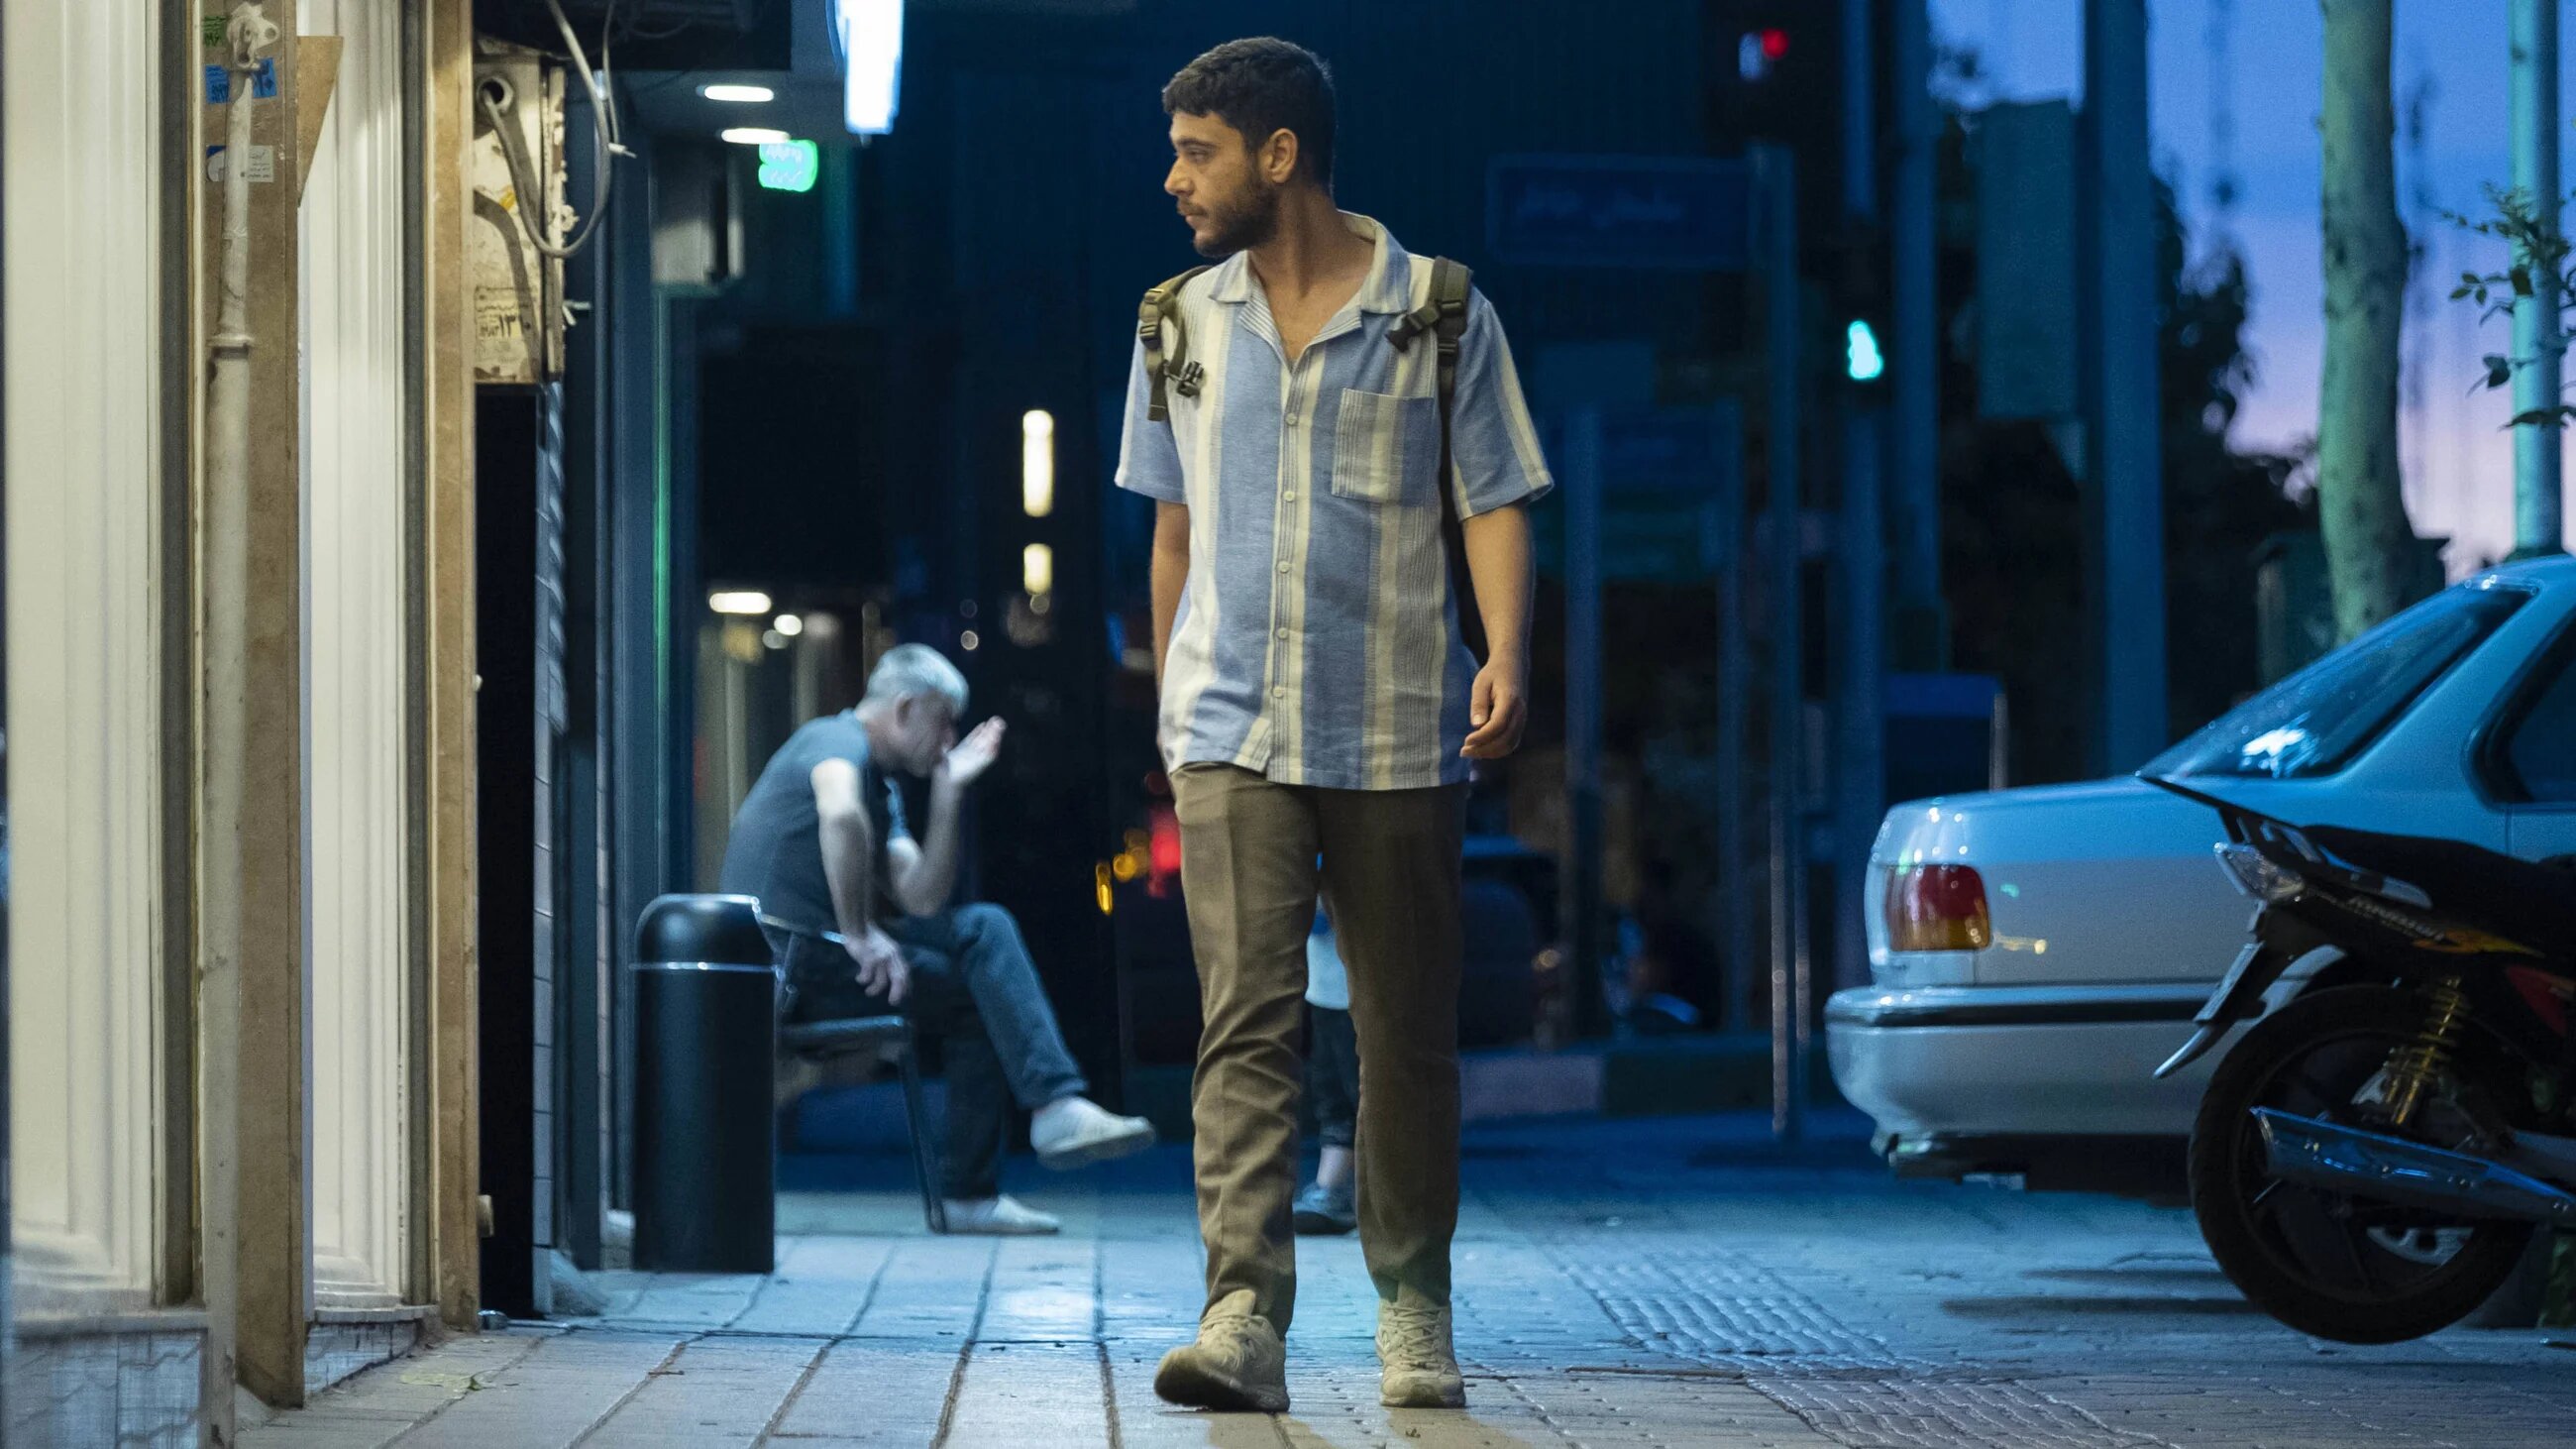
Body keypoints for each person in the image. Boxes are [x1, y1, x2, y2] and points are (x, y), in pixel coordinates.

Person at [1117, 38, 1551, 1413]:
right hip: (1231, 726)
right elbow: (1171, 529)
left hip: (1394, 726)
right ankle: (1242, 1309)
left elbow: (1492, 495)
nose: (1175, 177)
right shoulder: (1176, 323)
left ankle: (1414, 1307)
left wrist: (1507, 655)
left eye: (1198, 151)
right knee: (1245, 1023)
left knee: (1405, 1029)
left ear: (1279, 154)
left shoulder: (1439, 312)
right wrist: (1172, 695)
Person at [719, 644, 1156, 1236]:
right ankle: (1033, 1128)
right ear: (904, 708)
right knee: (983, 966)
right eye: (943, 720)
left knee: (984, 943)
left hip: (821, 956)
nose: (949, 736)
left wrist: (949, 791)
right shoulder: (833, 740)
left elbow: (920, 896)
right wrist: (858, 934)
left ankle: (1026, 1138)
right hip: (787, 962)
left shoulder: (884, 786)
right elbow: (840, 815)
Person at [1294, 906, 1359, 1237]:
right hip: (1325, 978)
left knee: (1368, 1089)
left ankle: (1389, 1197)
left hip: (1364, 974)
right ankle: (1331, 1188)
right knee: (1331, 1086)